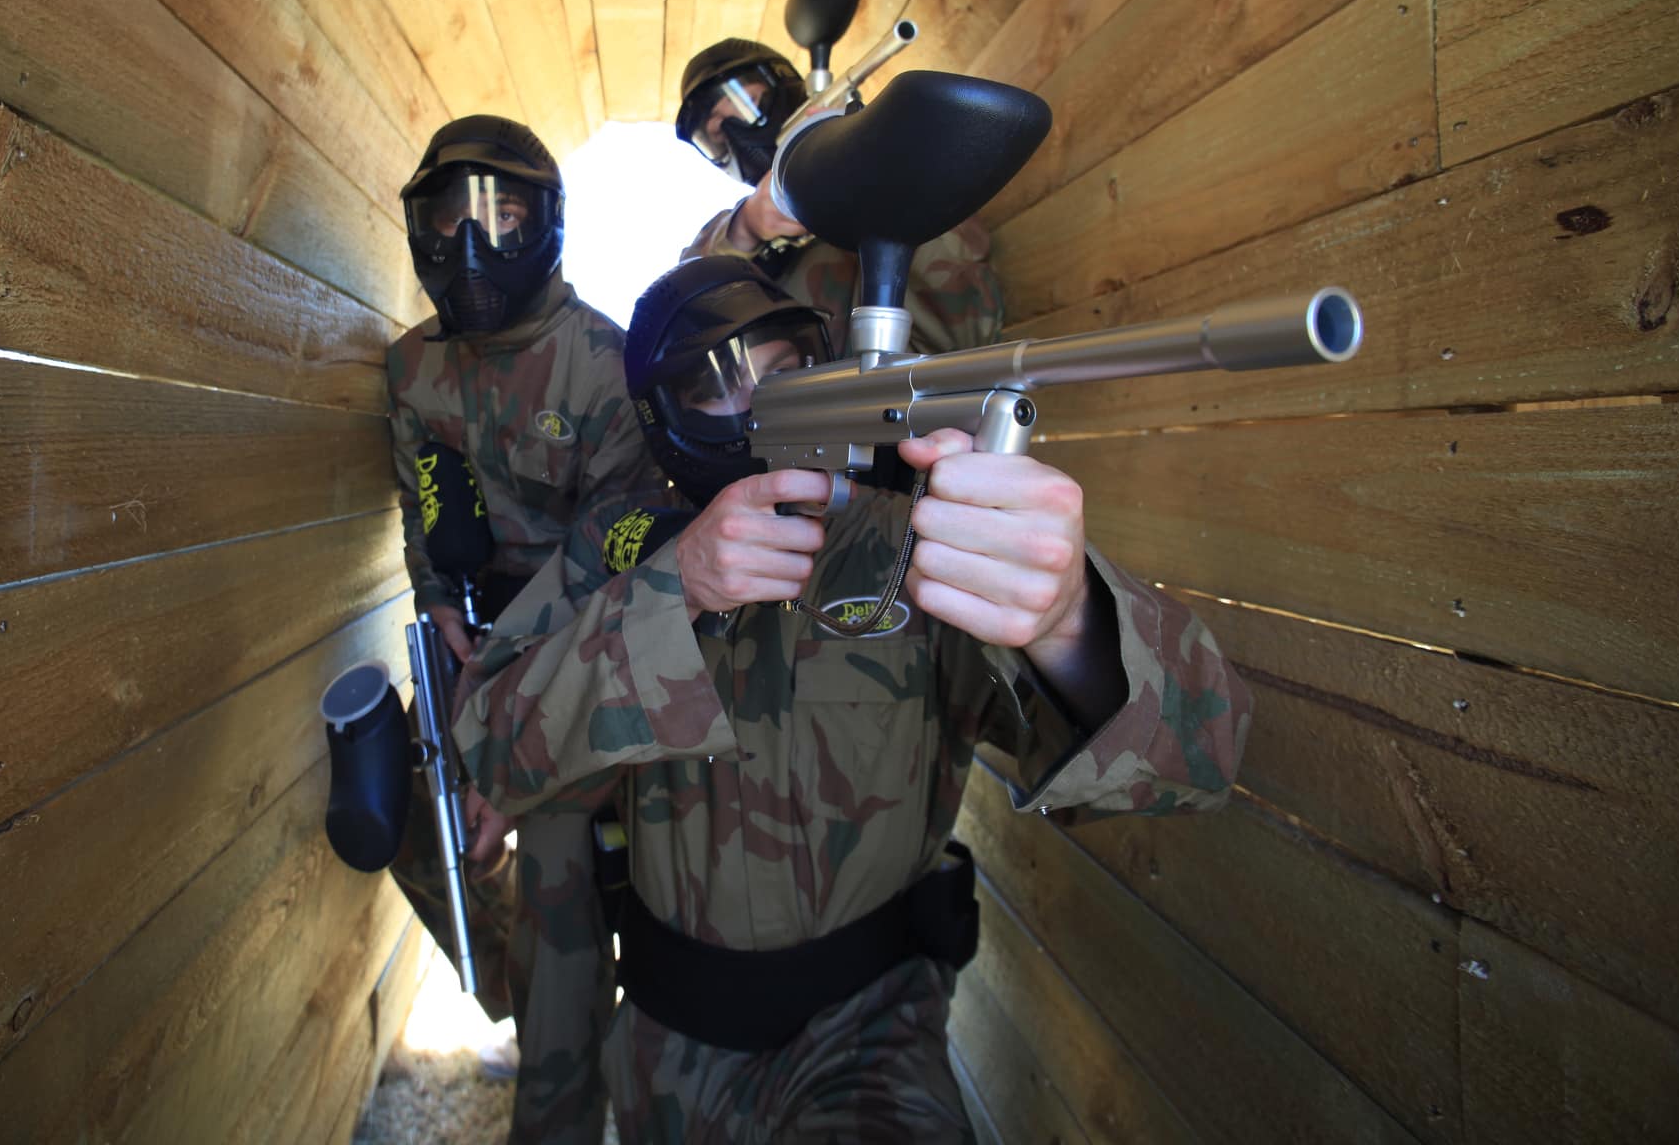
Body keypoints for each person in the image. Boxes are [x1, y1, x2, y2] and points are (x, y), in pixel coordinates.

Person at [453, 256, 1251, 1142]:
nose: (763, 402)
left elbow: (1202, 759)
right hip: (669, 1054)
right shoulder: (620, 543)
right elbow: (490, 745)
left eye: (785, 368)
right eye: (714, 384)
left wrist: (1070, 622)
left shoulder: (918, 543)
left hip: (870, 1041)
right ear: (661, 418)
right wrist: (670, 590)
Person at [386, 114, 662, 1144]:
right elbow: (424, 505)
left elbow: (619, 539)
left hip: (584, 644)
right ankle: (522, 1002)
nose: (472, 244)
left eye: (502, 217)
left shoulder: (604, 361)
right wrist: (437, 609)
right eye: (448, 217)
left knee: (552, 872)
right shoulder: (412, 369)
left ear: (546, 225)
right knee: (413, 822)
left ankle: (562, 1071)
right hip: (478, 631)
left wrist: (504, 691)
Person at [675, 38, 1003, 355]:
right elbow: (680, 310)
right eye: (718, 135)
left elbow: (968, 333)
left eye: (749, 106)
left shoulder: (916, 171)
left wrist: (875, 174)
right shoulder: (727, 235)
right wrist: (746, 228)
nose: (738, 136)